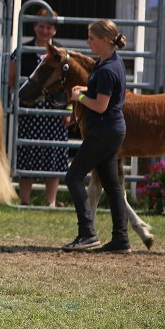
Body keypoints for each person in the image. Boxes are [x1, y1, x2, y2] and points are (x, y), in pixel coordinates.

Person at [61, 19, 130, 253]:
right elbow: (101, 94)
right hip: (111, 129)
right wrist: (85, 90)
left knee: (73, 177)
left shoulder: (108, 68)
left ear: (104, 40)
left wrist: (78, 98)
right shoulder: (110, 62)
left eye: (91, 38)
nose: (87, 42)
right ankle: (121, 239)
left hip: (104, 130)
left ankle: (87, 234)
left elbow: (100, 106)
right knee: (112, 186)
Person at [9, 7, 69, 207]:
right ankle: (25, 201)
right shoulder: (22, 50)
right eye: (41, 26)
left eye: (49, 27)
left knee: (54, 155)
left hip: (55, 110)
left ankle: (50, 202)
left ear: (54, 30)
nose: (44, 31)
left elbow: (71, 84)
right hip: (30, 109)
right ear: (35, 27)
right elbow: (11, 78)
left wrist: (69, 111)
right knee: (28, 154)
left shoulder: (62, 53)